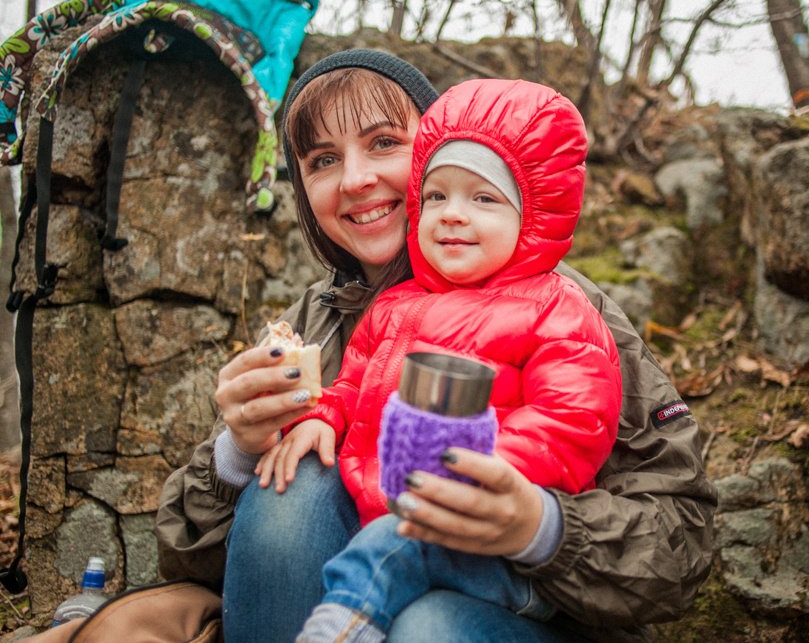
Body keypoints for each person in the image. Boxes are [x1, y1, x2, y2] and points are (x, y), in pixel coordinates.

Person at [155, 48, 719, 643]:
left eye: (382, 143)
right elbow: (188, 560)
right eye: (323, 159)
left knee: (429, 628)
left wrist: (544, 527)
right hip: (345, 596)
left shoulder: (561, 307)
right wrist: (237, 456)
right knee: (293, 474)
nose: (355, 180)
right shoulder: (314, 322)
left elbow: (682, 536)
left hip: (518, 608)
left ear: (436, 149)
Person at [253, 78, 622, 642]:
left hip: (493, 546)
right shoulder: (396, 306)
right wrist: (318, 415)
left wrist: (480, 467)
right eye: (437, 196)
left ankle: (338, 626)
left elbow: (572, 422)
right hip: (396, 513)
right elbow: (353, 385)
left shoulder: (558, 309)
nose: (451, 215)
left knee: (392, 553)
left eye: (483, 198)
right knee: (354, 519)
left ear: (534, 215)